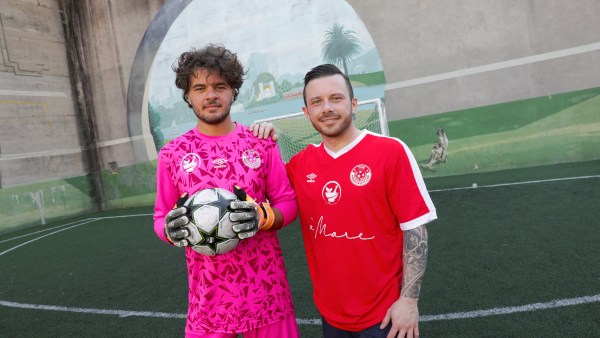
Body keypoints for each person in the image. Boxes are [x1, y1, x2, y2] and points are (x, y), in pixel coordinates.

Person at [252, 64, 437, 338]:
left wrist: (409, 301)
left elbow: (415, 231)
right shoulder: (298, 166)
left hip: (385, 316)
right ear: (306, 112)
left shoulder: (390, 152)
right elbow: (261, 194)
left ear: (353, 103)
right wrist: (260, 141)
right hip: (331, 316)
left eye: (335, 98)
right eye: (317, 101)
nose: (326, 108)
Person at [153, 44, 299, 338]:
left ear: (233, 90)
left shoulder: (261, 143)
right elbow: (160, 216)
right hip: (208, 304)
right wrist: (169, 230)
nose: (211, 95)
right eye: (199, 88)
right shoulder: (172, 154)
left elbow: (288, 202)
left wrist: (263, 217)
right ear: (188, 96)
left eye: (220, 86)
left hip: (267, 293)